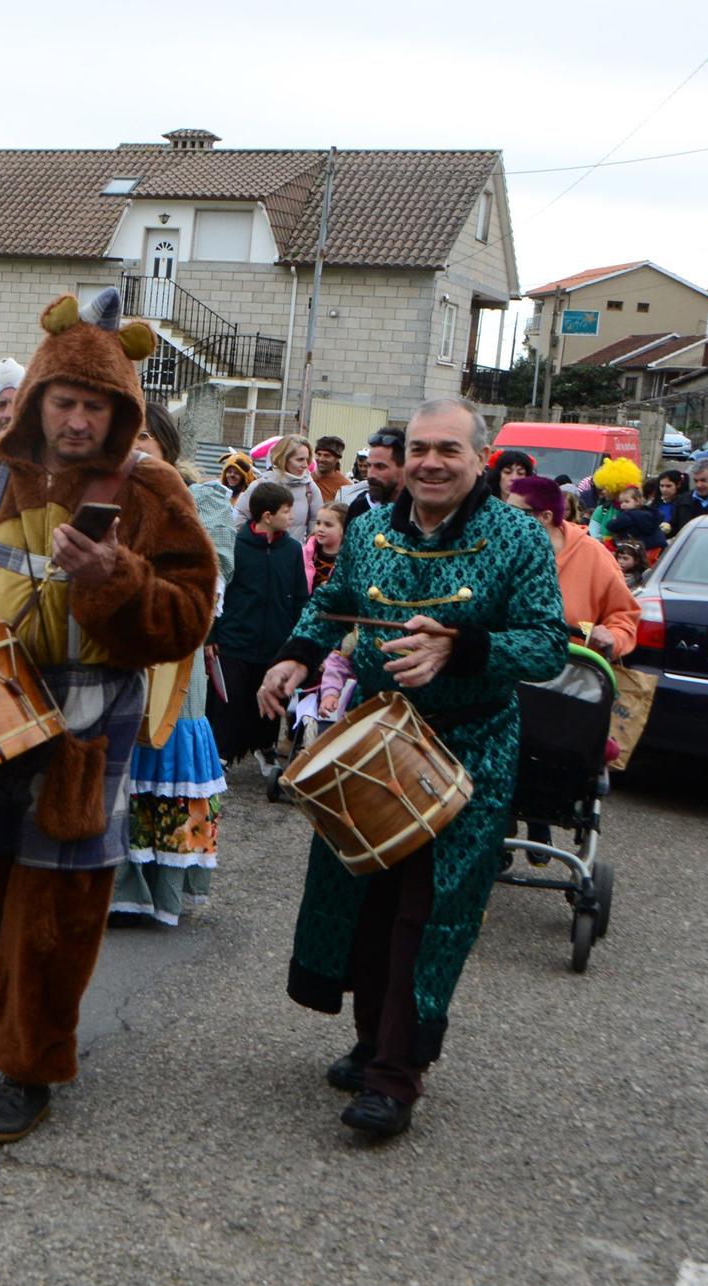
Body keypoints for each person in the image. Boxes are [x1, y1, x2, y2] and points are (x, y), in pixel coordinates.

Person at [0, 287, 216, 1142]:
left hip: (85, 722)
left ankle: (29, 1060)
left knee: (58, 903)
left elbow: (187, 614)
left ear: (121, 410)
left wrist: (113, 577)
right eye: (63, 401)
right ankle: (25, 1009)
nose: (76, 420)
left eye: (94, 406)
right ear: (36, 398)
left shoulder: (153, 489)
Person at [259, 396, 565, 1140]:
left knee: (425, 912)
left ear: (479, 460)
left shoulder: (519, 537)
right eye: (420, 447)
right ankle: (372, 1043)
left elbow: (549, 643)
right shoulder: (365, 529)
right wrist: (296, 654)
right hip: (375, 738)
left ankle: (397, 1075)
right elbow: (333, 600)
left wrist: (462, 647)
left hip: (468, 745)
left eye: (448, 451)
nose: (430, 462)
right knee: (368, 895)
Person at [112, 409, 231, 929]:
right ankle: (111, 886)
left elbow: (211, 581)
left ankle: (162, 886)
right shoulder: (100, 494)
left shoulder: (202, 501)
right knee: (113, 772)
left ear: (165, 443)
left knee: (164, 756)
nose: (134, 446)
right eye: (125, 436)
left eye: (143, 436)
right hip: (113, 655)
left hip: (175, 661)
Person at [207, 481, 307, 770]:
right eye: (287, 511)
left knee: (269, 702)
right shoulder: (234, 546)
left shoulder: (292, 550)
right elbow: (215, 593)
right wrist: (212, 633)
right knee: (229, 704)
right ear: (266, 515)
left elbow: (300, 596)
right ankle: (220, 756)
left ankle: (265, 749)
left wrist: (296, 640)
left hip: (275, 644)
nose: (292, 517)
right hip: (234, 641)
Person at [505, 476, 639, 660]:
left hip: (570, 677)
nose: (504, 519)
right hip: (505, 670)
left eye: (514, 512)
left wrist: (613, 637)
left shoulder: (594, 555)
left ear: (545, 517)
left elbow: (624, 616)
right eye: (504, 510)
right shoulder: (499, 549)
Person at [238, 434, 325, 540]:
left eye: (307, 459)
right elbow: (240, 517)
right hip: (260, 553)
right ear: (284, 459)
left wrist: (309, 550)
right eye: (300, 459)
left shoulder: (310, 488)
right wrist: (250, 543)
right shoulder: (260, 485)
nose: (305, 465)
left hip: (296, 554)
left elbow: (316, 523)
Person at [342, 426, 404, 525]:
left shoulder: (418, 512)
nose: (371, 474)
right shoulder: (359, 508)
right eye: (369, 465)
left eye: (380, 466)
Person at [305, 500, 348, 591]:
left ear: (343, 529)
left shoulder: (349, 559)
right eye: (318, 523)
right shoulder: (306, 555)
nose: (320, 529)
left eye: (328, 525)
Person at [650, 469, 688, 538]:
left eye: (668, 486)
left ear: (678, 485)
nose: (664, 490)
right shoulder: (655, 503)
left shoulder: (684, 505)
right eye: (662, 486)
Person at [311, 435, 350, 500]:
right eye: (318, 454)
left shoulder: (345, 487)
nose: (321, 459)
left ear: (337, 458)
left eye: (327, 455)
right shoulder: (306, 479)